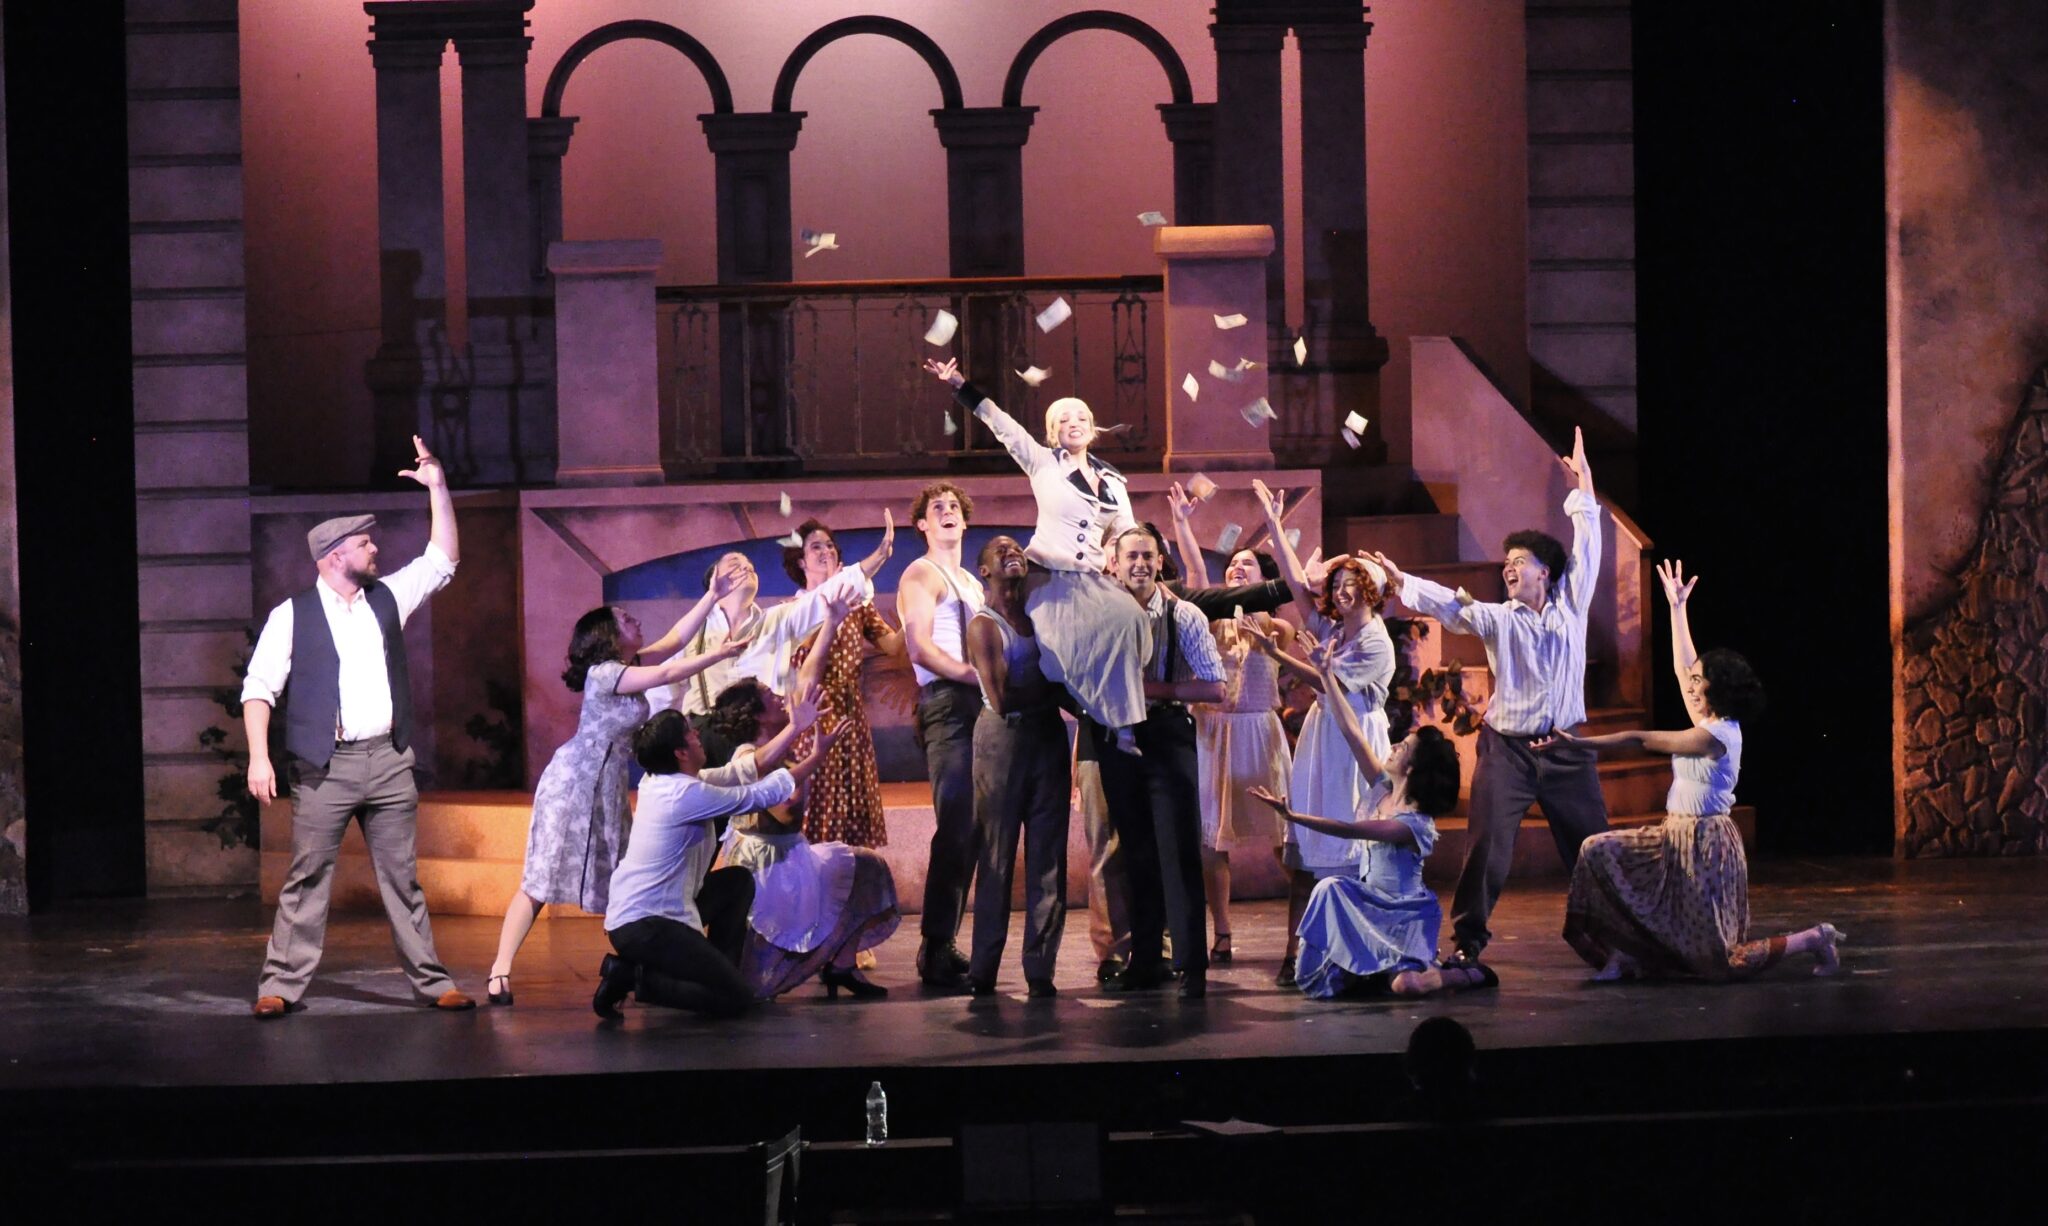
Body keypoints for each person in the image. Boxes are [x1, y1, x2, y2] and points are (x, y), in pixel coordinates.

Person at [243, 436, 471, 1018]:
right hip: (326, 766)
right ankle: (280, 985)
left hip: (389, 761)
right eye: (364, 543)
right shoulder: (292, 615)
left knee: (402, 879)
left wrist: (438, 487)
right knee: (307, 877)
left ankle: (432, 982)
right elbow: (259, 688)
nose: (375, 548)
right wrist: (258, 757)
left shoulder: (387, 598)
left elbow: (442, 559)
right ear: (332, 556)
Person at [1373, 427, 1609, 971]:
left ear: (1545, 572)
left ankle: (1615, 933)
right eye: (1506, 561)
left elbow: (1589, 541)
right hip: (1508, 752)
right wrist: (1402, 581)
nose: (1509, 567)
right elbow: (1453, 609)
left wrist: (1584, 486)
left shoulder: (1571, 606)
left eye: (1519, 560)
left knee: (1594, 847)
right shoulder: (1499, 618)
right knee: (1487, 848)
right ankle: (1468, 941)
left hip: (1567, 750)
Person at [1547, 560, 1844, 980]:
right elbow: (1681, 667)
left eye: (1699, 680)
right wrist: (1677, 607)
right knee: (1596, 850)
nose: (1690, 684)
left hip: (1707, 845)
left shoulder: (1716, 736)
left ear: (1717, 688)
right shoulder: (1708, 720)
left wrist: (1580, 743)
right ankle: (1621, 956)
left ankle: (1815, 938)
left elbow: (1642, 739)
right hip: (1673, 835)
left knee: (1719, 962)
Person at [483, 577, 752, 1006]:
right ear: (606, 635)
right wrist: (719, 654)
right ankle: (500, 969)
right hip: (575, 783)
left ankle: (633, 968)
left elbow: (674, 641)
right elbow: (668, 671)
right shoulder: (604, 673)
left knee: (626, 880)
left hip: (607, 786)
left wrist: (711, 596)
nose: (635, 620)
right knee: (540, 877)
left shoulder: (628, 667)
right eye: (625, 619)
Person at [924, 357, 1151, 756]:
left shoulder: (1114, 482)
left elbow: (1125, 532)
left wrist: (1132, 560)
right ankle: (1090, 712)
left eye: (1081, 417)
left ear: (1092, 428)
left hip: (1092, 580)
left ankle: (1123, 721)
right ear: (1052, 432)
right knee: (1059, 651)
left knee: (1131, 619)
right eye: (1063, 419)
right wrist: (961, 386)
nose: (1073, 423)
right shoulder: (1044, 464)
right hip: (1049, 576)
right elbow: (1003, 425)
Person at [1250, 639, 1495, 999]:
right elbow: (1351, 730)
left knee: (1406, 986)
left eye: (1403, 748)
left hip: (1402, 916)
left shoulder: (1412, 824)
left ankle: (1460, 975)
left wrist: (1294, 816)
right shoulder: (1382, 788)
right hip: (1371, 905)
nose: (1393, 747)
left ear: (1412, 769)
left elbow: (1350, 830)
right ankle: (1365, 971)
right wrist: (1326, 675)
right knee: (1330, 888)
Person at [1237, 480, 1395, 987]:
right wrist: (1275, 524)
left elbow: (1329, 684)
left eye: (1352, 585)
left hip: (1355, 743)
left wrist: (1276, 654)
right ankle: (1297, 953)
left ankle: (1354, 954)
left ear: (1371, 591)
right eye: (1338, 584)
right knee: (1307, 850)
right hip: (1322, 740)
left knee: (1352, 850)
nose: (1342, 592)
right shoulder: (1333, 629)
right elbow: (1293, 580)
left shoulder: (1376, 643)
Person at [713, 589, 903, 1000]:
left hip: (788, 856)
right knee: (753, 985)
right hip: (768, 870)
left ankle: (842, 965)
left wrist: (831, 622)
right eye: (770, 698)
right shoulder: (750, 756)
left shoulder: (772, 747)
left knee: (864, 867)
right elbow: (787, 810)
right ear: (756, 716)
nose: (780, 697)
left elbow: (808, 680)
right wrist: (814, 757)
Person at [594, 702, 835, 1019]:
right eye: (689, 733)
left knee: (736, 881)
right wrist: (816, 758)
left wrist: (794, 727)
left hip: (654, 913)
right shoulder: (683, 795)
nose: (697, 734)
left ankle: (720, 973)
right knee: (736, 999)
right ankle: (630, 977)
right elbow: (756, 795)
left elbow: (743, 771)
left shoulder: (664, 780)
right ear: (680, 752)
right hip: (646, 925)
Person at [1093, 526, 1227, 998]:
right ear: (1114, 563)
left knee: (1178, 851)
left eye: (1147, 556)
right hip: (1117, 736)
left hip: (1166, 731)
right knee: (1136, 853)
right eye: (1131, 556)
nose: (1140, 564)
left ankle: (1191, 965)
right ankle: (1146, 959)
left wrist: (1150, 688)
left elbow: (1216, 687)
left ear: (1159, 562)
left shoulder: (1182, 614)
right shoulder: (1101, 613)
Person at [1166, 483, 1293, 967]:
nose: (1237, 568)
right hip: (1213, 732)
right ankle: (1221, 932)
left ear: (1264, 579)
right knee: (1211, 841)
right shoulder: (1210, 620)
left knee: (1285, 836)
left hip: (1258, 734)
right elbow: (1196, 576)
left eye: (1248, 565)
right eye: (1234, 564)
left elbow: (1277, 631)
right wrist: (1182, 523)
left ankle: (1308, 922)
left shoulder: (1276, 627)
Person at [963, 535, 1073, 997]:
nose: (1012, 553)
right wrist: (1061, 685)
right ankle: (983, 968)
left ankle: (1040, 969)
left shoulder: (1039, 617)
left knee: (1049, 856)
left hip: (1047, 738)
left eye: (1016, 549)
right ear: (984, 570)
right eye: (1000, 550)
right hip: (1003, 740)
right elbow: (1002, 698)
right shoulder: (984, 626)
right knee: (997, 854)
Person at [897, 481, 987, 988]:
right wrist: (975, 676)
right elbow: (920, 647)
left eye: (955, 506)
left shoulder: (970, 582)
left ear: (965, 521)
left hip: (978, 702)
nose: (948, 511)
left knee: (973, 826)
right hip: (950, 701)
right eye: (938, 508)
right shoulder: (921, 573)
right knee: (956, 820)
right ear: (923, 525)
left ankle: (946, 941)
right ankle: (934, 946)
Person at [782, 518, 904, 855]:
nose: (826, 551)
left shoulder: (856, 607)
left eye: (830, 545)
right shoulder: (793, 612)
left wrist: (917, 612)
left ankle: (853, 881)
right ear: (801, 562)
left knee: (853, 818)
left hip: (851, 720)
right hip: (814, 721)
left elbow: (893, 646)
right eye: (815, 547)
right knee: (816, 815)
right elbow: (802, 677)